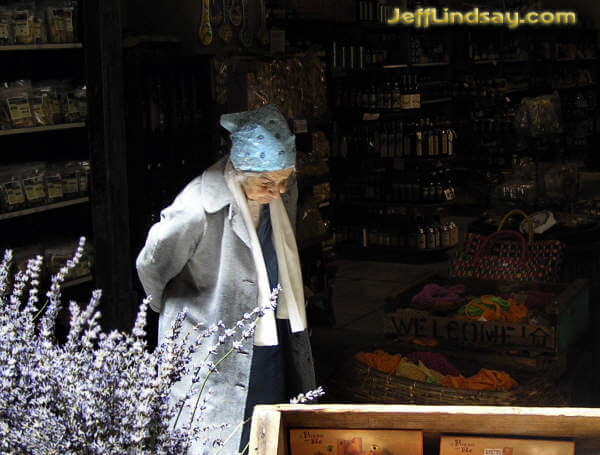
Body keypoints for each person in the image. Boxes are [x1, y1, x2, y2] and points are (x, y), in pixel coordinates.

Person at [136, 104, 316, 454]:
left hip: (267, 332)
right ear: (240, 168)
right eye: (267, 182)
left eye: (284, 179)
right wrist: (179, 313)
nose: (277, 191)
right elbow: (152, 265)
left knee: (267, 425)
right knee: (218, 433)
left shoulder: (279, 194)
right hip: (213, 339)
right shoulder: (198, 206)